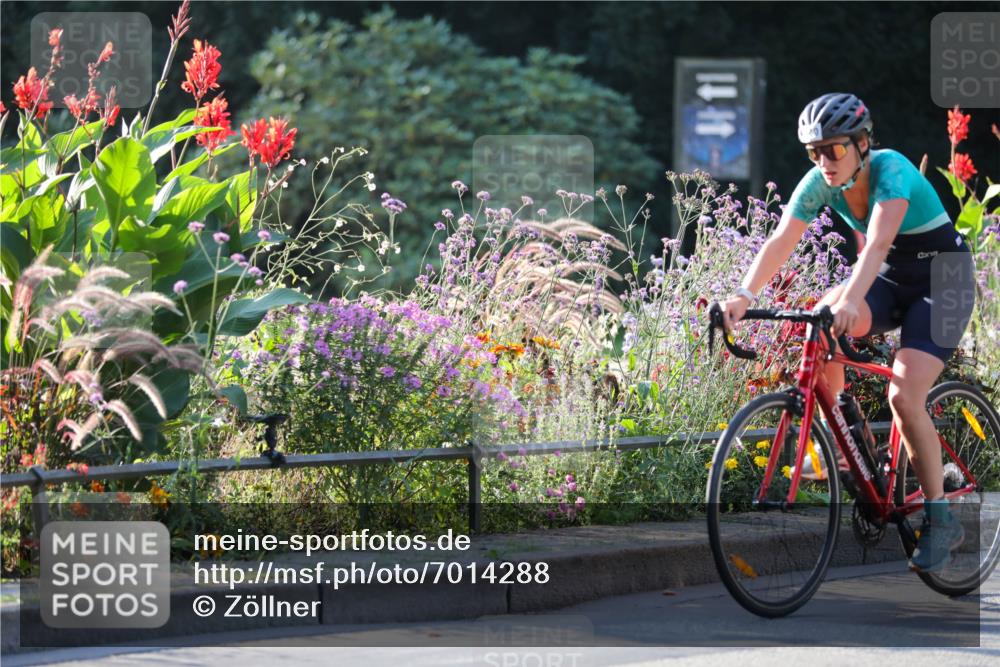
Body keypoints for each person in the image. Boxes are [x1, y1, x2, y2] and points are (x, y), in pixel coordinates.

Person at [719, 92, 976, 573]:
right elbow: (782, 239)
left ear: (862, 143)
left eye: (834, 149)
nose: (824, 161)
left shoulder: (892, 171)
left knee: (904, 394)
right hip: (894, 276)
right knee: (822, 318)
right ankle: (850, 445)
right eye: (814, 152)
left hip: (944, 279)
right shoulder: (821, 181)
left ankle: (942, 520)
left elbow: (876, 244)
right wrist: (743, 296)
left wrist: (853, 299)